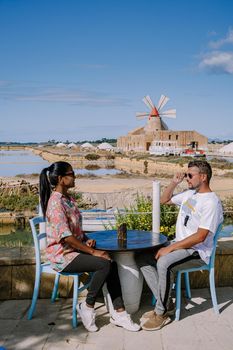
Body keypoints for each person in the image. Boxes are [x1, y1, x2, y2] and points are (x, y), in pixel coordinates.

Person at [39, 161, 140, 332]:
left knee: (110, 260)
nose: (75, 176)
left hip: (75, 249)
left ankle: (119, 313)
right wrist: (93, 252)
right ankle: (87, 305)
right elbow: (67, 237)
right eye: (71, 174)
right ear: (61, 179)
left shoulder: (69, 199)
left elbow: (75, 230)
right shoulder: (56, 203)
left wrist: (85, 239)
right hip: (62, 255)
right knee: (104, 263)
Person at [135, 160, 223, 331]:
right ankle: (166, 304)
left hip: (196, 251)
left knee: (164, 263)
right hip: (180, 245)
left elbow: (200, 236)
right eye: (186, 174)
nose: (187, 178)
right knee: (142, 257)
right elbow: (164, 199)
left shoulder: (211, 202)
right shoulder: (190, 194)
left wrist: (170, 248)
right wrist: (175, 182)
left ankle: (161, 313)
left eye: (190, 175)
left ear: (203, 177)